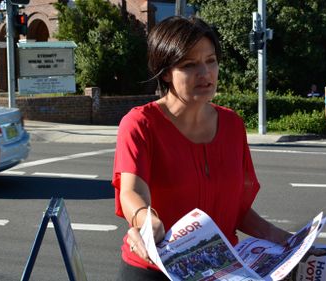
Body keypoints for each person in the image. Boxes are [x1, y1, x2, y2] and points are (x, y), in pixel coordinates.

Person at [111, 16, 293, 280]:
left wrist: (285, 240)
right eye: (189, 65)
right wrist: (145, 219)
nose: (205, 74)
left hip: (222, 270)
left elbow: (237, 210)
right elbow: (131, 191)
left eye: (211, 61)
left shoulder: (232, 124)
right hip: (155, 270)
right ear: (165, 72)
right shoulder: (140, 124)